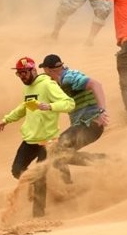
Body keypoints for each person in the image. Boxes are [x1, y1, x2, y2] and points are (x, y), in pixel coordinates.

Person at [0, 57, 75, 217]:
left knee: (39, 176)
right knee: (17, 171)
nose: (22, 76)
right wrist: (6, 119)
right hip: (30, 140)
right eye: (19, 74)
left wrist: (50, 106)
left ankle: (39, 215)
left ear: (33, 70)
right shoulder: (28, 89)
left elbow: (69, 103)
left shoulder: (47, 85)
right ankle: (42, 184)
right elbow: (25, 107)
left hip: (47, 140)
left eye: (24, 72)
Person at [38, 54, 108, 182]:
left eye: (45, 70)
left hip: (90, 123)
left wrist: (102, 111)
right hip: (84, 125)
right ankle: (105, 161)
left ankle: (68, 185)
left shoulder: (69, 77)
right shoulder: (58, 82)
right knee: (60, 154)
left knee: (56, 150)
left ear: (48, 70)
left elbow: (96, 84)